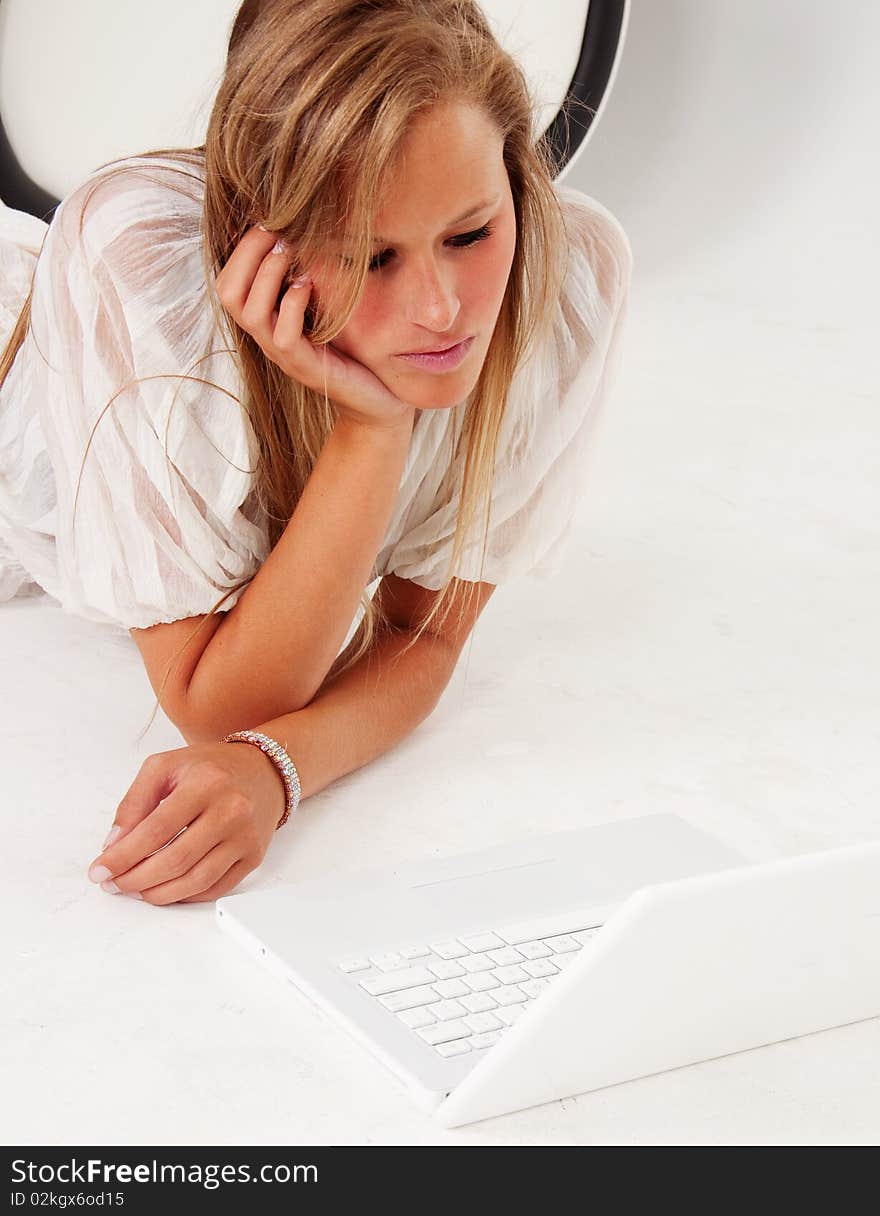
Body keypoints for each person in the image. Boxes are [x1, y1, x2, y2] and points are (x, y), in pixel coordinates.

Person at [0, 0, 632, 906]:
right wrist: (372, 432)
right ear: (263, 241)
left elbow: (423, 632)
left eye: (470, 234)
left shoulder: (568, 276)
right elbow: (215, 701)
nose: (441, 311)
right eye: (371, 257)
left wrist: (276, 771)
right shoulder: (142, 261)